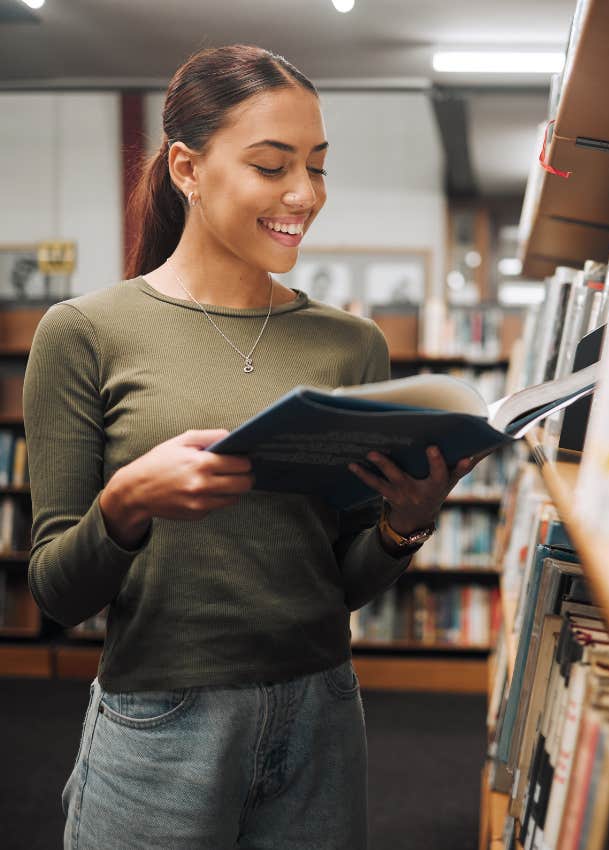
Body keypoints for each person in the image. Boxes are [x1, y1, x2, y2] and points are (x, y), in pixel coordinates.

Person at [23, 44, 481, 850]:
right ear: (186, 170)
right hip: (161, 721)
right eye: (272, 167)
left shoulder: (352, 344)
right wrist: (125, 505)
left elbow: (336, 585)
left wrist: (402, 527)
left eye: (317, 166)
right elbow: (57, 595)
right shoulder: (85, 334)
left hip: (323, 715)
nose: (303, 195)